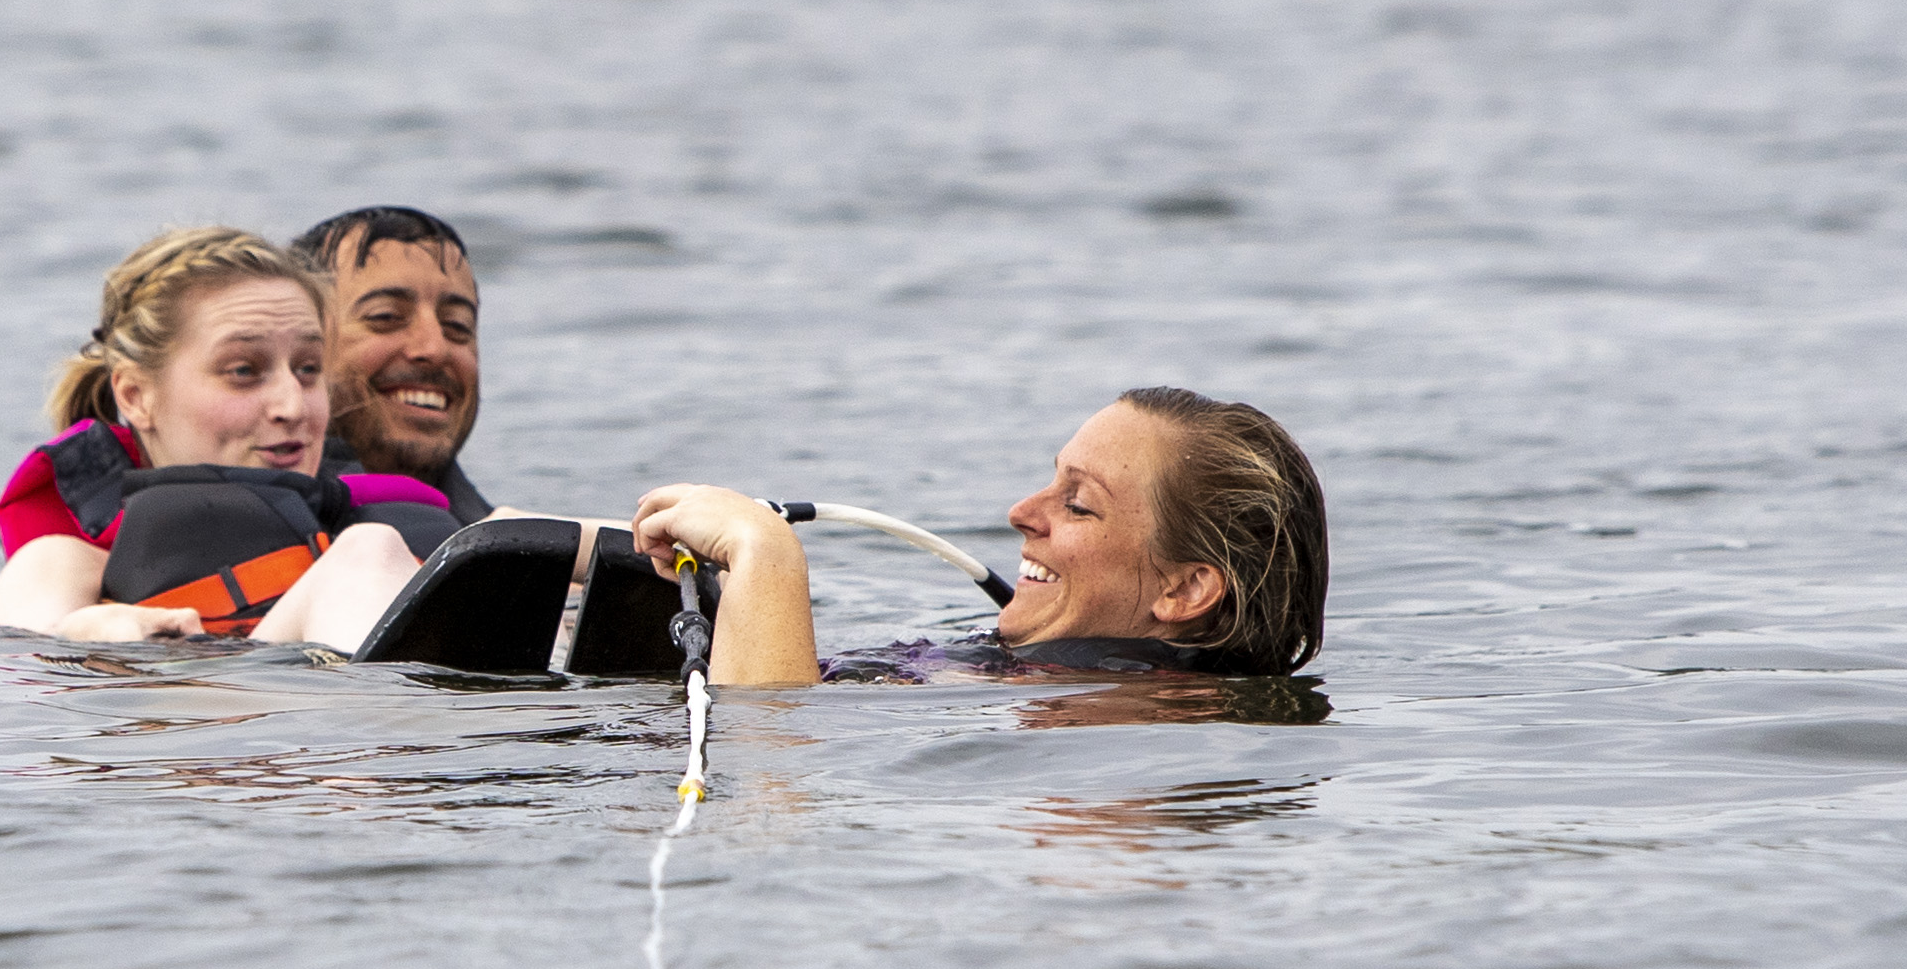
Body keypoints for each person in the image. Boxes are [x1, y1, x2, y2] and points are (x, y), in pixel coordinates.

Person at [629, 388, 1329, 688]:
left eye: (1078, 506)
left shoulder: (1127, 716)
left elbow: (767, 765)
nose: (1021, 512)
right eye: (1050, 482)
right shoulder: (1033, 679)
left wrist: (765, 555)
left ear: (1184, 588)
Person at [0, 226, 449, 650]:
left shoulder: (382, 523)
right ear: (135, 396)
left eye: (307, 369)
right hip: (214, 720)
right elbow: (29, 657)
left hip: (356, 708)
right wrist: (88, 633)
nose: (292, 406)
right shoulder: (58, 564)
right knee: (368, 550)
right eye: (244, 371)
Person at [292, 207, 494, 523]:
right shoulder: (236, 534)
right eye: (385, 317)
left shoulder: (515, 549)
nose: (434, 348)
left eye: (457, 325)